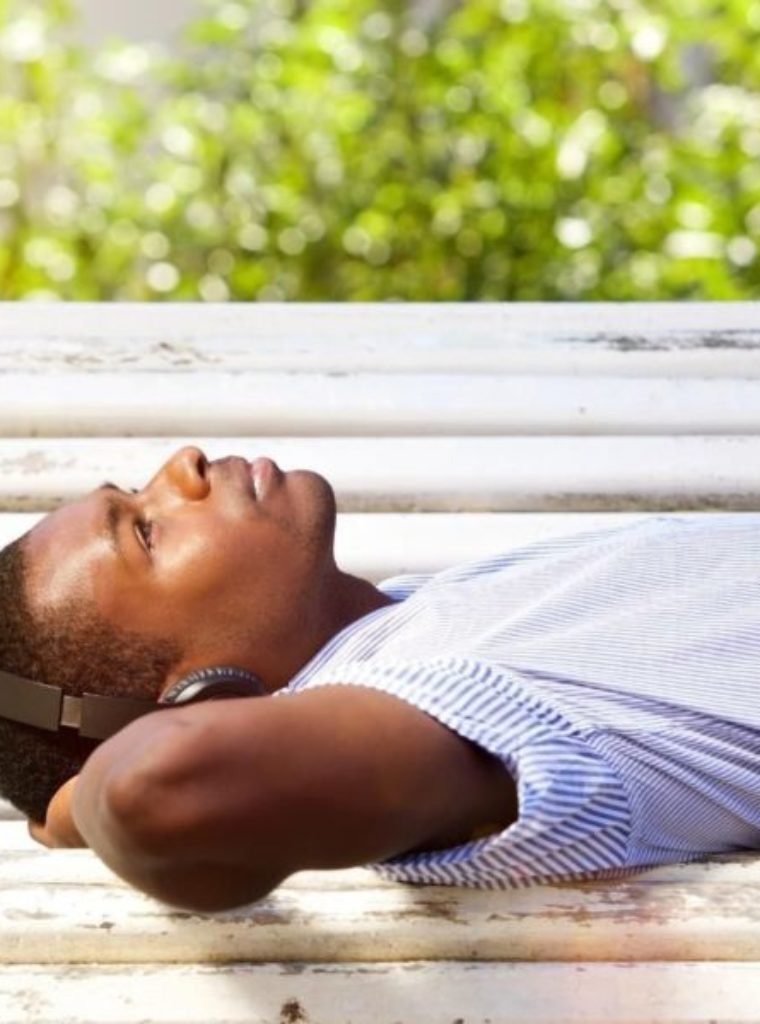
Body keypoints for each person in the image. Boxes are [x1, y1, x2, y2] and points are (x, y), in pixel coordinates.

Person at [0, 446, 759, 912]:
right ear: (199, 697)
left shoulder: (413, 618)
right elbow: (157, 790)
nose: (182, 465)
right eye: (145, 531)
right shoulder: (425, 705)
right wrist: (78, 806)